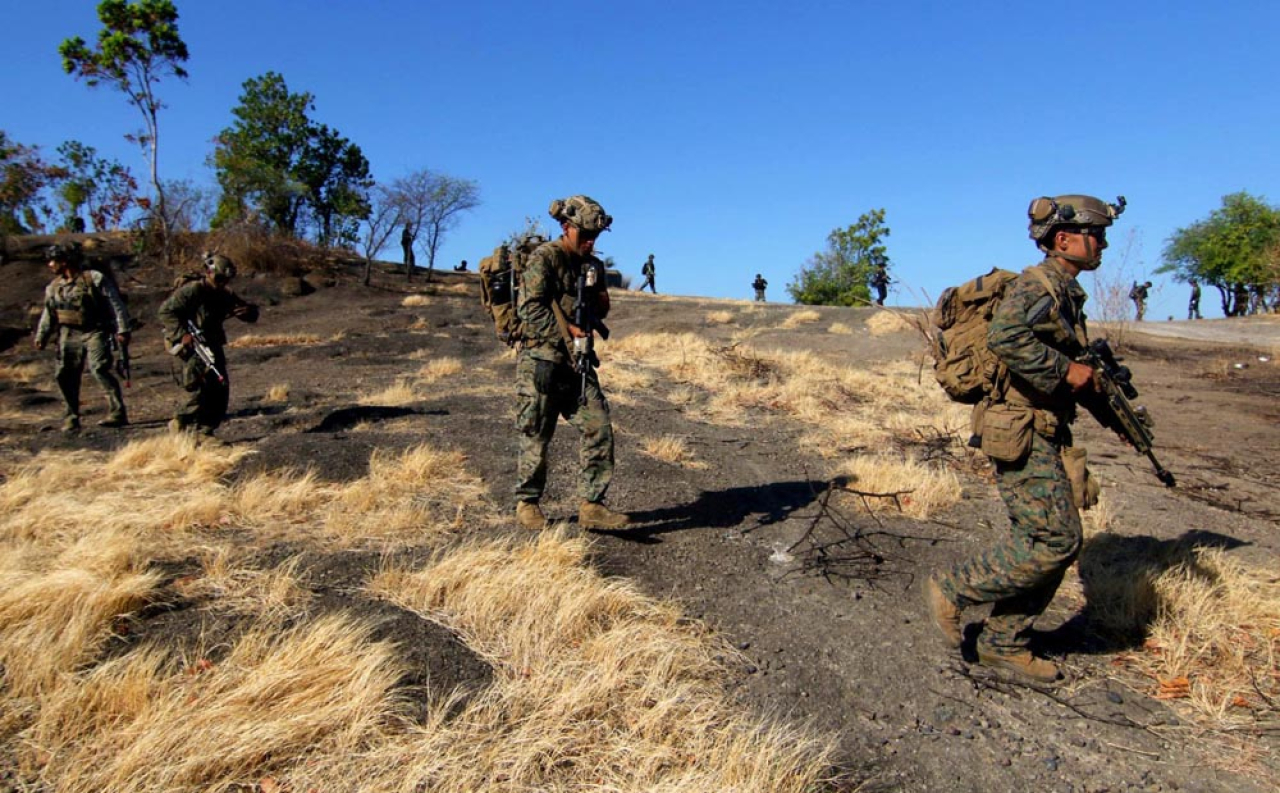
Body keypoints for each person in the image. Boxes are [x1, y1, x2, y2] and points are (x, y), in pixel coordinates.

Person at [925, 193, 1127, 683]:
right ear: (1064, 239)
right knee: (1057, 540)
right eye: (1095, 235)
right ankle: (955, 588)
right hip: (1019, 427)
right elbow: (1007, 339)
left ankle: (1003, 643)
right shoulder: (1039, 287)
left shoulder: (1064, 291)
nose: (1100, 244)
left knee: (1048, 539)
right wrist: (1068, 370)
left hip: (1044, 427)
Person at [514, 195, 629, 531]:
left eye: (596, 237)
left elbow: (597, 311)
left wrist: (598, 302)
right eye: (585, 235)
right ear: (566, 227)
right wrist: (568, 331)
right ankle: (528, 503)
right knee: (537, 432)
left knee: (598, 425)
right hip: (542, 360)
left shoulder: (592, 266)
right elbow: (530, 310)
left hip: (577, 362)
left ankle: (592, 505)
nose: (590, 242)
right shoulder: (545, 258)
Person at [159, 253, 259, 444]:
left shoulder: (224, 294)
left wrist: (249, 312)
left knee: (221, 387)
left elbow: (248, 313)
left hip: (212, 343)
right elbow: (165, 311)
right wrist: (182, 334)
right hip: (192, 345)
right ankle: (181, 422)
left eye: (225, 279)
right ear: (209, 273)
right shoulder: (193, 290)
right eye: (219, 278)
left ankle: (205, 431)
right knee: (200, 386)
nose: (222, 282)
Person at [33, 242, 131, 432]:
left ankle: (117, 412)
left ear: (65, 261)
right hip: (68, 334)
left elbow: (115, 304)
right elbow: (49, 313)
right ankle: (71, 417)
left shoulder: (94, 278)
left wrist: (123, 329)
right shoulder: (53, 287)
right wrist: (42, 335)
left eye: (54, 261)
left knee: (99, 369)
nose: (50, 265)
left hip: (95, 330)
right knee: (64, 374)